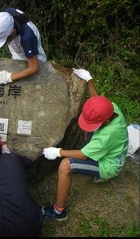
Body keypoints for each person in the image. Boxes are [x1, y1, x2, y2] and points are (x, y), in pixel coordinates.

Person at [40, 68, 128, 221]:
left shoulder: (106, 137)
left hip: (108, 164)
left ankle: (59, 211)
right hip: (112, 150)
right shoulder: (113, 109)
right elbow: (98, 102)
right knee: (87, 131)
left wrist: (58, 152)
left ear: (106, 122)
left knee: (66, 165)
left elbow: (82, 154)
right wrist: (89, 80)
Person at [0, 8, 47, 84]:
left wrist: (9, 77)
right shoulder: (3, 18)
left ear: (13, 32)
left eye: (3, 41)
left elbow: (34, 68)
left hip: (34, 59)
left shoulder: (27, 37)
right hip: (17, 55)